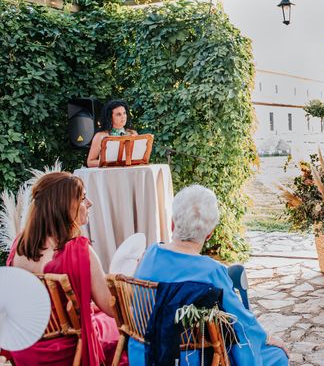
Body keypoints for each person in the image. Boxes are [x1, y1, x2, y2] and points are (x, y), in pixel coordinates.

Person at [129, 185, 289, 366]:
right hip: (189, 359)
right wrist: (266, 337)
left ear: (173, 223)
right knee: (277, 356)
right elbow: (240, 320)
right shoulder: (212, 271)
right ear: (209, 234)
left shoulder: (149, 254)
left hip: (143, 353)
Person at [6, 172, 122, 365]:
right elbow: (112, 308)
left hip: (25, 347)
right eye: (83, 198)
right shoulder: (79, 251)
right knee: (121, 329)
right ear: (65, 206)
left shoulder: (19, 244)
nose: (90, 203)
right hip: (66, 349)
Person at [87, 99, 137, 167]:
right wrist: (111, 163)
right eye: (118, 114)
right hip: (109, 175)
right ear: (110, 117)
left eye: (124, 113)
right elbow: (90, 162)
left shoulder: (133, 133)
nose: (123, 117)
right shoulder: (100, 136)